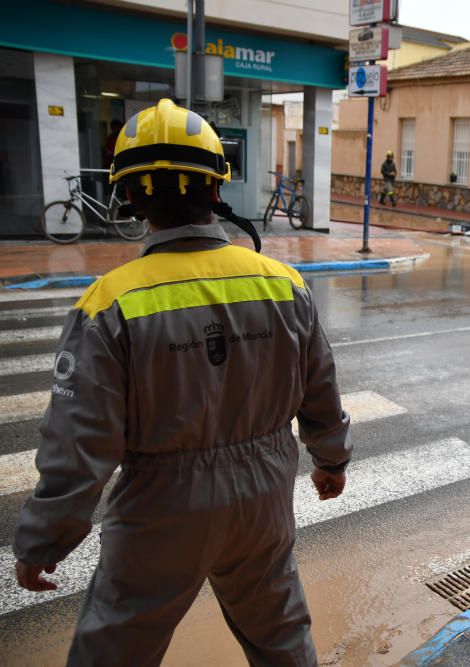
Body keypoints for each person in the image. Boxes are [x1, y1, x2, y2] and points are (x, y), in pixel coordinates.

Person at [13, 99, 351, 666]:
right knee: (281, 636)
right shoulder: (284, 284)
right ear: (216, 190)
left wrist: (45, 538)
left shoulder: (111, 303)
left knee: (114, 648)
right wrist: (331, 459)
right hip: (264, 497)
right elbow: (320, 386)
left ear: (129, 196)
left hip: (161, 510)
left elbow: (80, 441)